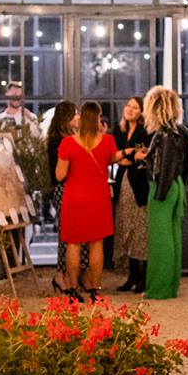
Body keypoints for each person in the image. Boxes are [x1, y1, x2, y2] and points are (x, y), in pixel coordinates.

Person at [56, 101, 125, 300]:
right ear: (97, 118)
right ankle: (95, 289)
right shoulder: (108, 141)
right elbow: (111, 159)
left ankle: (73, 289)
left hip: (74, 200)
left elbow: (60, 175)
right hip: (99, 199)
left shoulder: (68, 143)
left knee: (73, 245)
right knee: (97, 245)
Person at [143, 86, 188, 300]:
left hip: (162, 187)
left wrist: (159, 192)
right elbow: (185, 164)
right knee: (172, 237)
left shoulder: (163, 134)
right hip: (177, 185)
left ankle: (159, 289)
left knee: (160, 240)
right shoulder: (182, 130)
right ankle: (170, 287)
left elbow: (163, 167)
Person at [112, 96, 151, 293]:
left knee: (140, 229)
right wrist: (128, 154)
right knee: (126, 226)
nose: (130, 109)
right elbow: (113, 156)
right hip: (123, 183)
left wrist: (126, 156)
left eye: (135, 107)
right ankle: (132, 275)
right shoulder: (119, 131)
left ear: (141, 112)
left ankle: (143, 276)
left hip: (138, 185)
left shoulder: (145, 131)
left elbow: (143, 157)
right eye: (128, 106)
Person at [44, 101, 77, 294]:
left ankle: (65, 274)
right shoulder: (59, 140)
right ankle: (60, 275)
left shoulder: (65, 138)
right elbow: (60, 172)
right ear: (66, 118)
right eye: (75, 114)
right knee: (66, 235)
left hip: (67, 188)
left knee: (69, 234)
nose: (78, 118)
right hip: (63, 189)